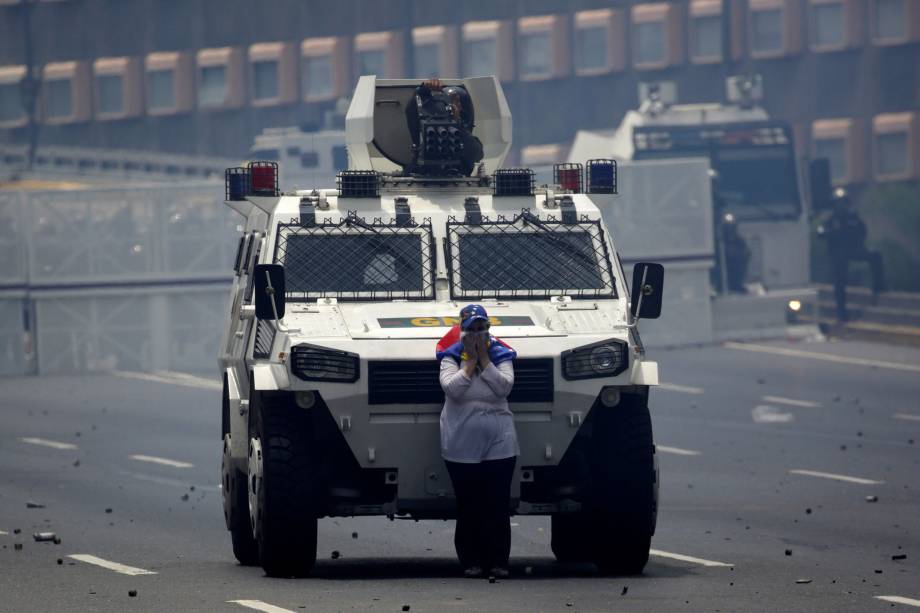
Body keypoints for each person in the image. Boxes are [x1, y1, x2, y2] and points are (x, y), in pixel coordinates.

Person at [436, 304, 517, 578]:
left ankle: (498, 561)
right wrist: (470, 363)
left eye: (481, 329)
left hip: (499, 437)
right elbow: (452, 389)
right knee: (469, 504)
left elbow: (504, 387)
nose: (477, 334)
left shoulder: (501, 355)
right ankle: (470, 560)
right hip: (461, 438)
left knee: (497, 503)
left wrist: (486, 360)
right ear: (462, 330)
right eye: (471, 329)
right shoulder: (450, 356)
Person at [817, 188, 885, 322]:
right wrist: (832, 233)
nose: (841, 206)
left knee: (876, 255)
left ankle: (879, 287)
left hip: (854, 250)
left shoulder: (853, 217)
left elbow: (863, 231)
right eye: (838, 203)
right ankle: (842, 313)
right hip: (838, 254)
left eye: (843, 203)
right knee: (840, 282)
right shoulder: (830, 220)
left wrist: (853, 233)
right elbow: (820, 232)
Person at [405, 78, 483, 176]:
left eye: (455, 103)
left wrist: (457, 123)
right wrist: (421, 90)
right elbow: (411, 114)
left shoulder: (465, 138)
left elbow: (475, 153)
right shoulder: (426, 133)